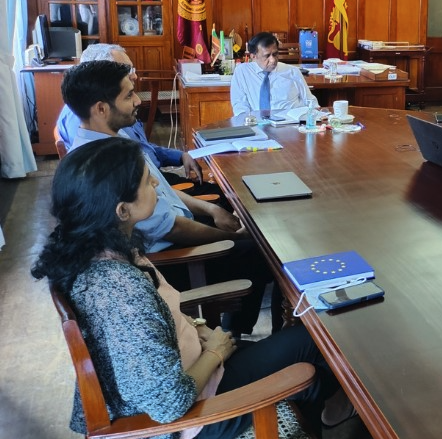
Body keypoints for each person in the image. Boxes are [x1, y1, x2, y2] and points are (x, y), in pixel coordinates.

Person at [31, 137, 354, 438]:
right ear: (122, 210)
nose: (157, 183)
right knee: (312, 357)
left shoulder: (94, 251)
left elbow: (152, 334)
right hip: (184, 420)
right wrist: (217, 351)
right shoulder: (120, 291)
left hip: (186, 369)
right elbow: (169, 405)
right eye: (147, 181)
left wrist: (198, 329)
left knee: (304, 345)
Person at [61, 60, 281, 337]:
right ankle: (234, 337)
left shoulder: (111, 144)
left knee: (235, 210)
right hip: (173, 259)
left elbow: (160, 187)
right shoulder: (107, 164)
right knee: (264, 252)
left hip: (173, 230)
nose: (137, 101)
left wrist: (210, 208)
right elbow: (171, 227)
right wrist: (237, 238)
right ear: (101, 108)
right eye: (128, 95)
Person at [56, 43, 228, 205]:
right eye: (125, 70)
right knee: (224, 198)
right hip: (143, 189)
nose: (134, 75)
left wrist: (180, 156)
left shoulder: (114, 109)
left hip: (151, 178)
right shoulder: (88, 120)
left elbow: (144, 148)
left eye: (132, 68)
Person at [230, 32, 317, 117]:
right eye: (267, 56)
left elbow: (310, 101)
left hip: (291, 124)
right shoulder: (242, 72)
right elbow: (240, 106)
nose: (272, 60)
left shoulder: (292, 72)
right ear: (253, 56)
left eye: (275, 54)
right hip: (258, 125)